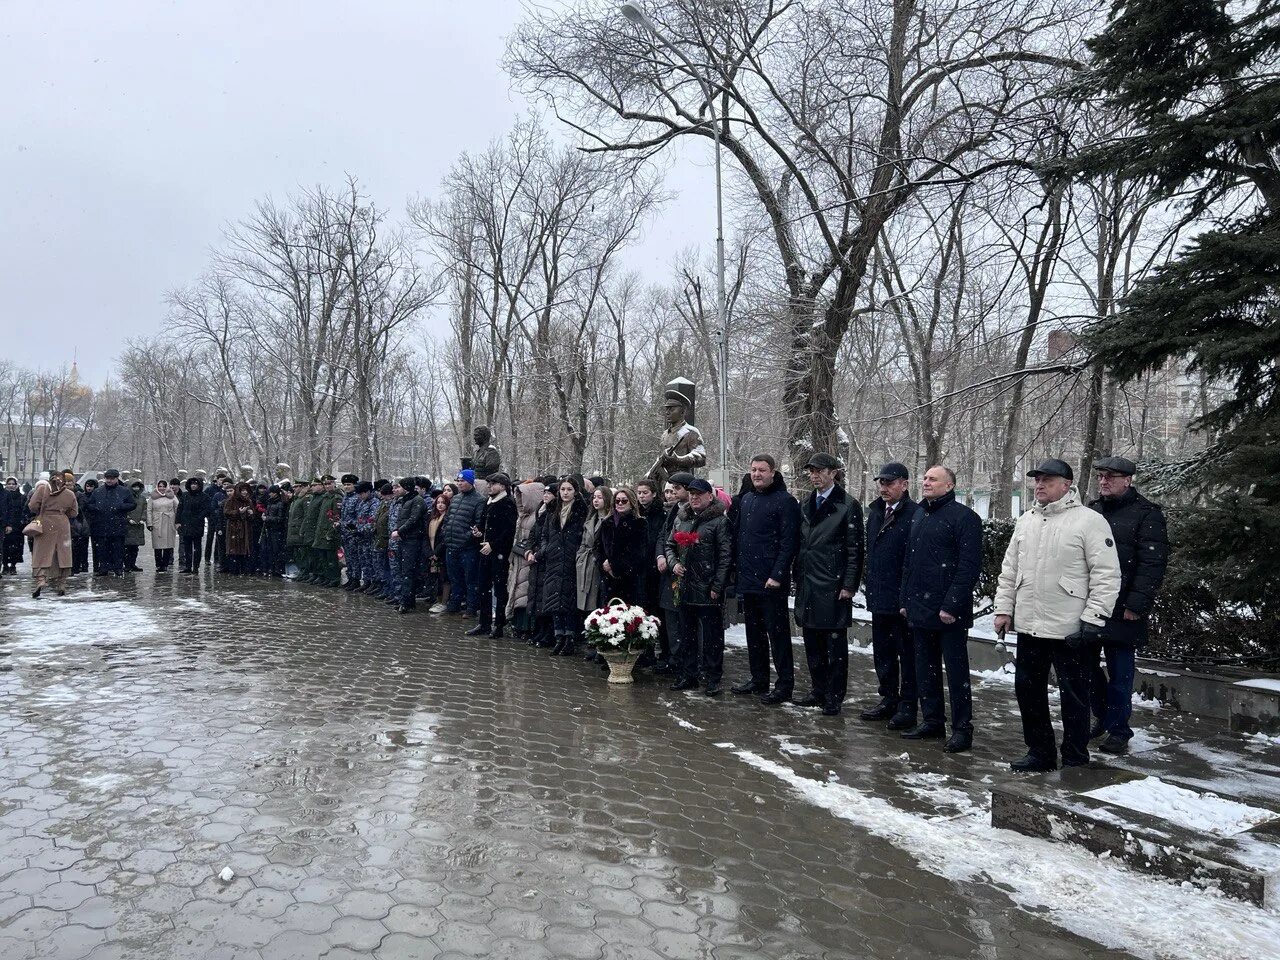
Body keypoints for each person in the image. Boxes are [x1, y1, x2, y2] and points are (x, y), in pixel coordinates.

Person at [995, 459, 1121, 771]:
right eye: (1037, 480)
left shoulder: (1089, 521)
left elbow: (1106, 574)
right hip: (1030, 627)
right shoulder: (1027, 521)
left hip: (1071, 629)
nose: (1039, 485)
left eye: (1047, 480)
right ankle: (1040, 752)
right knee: (1028, 691)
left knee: (1074, 696)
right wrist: (1003, 608)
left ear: (1066, 485)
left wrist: (1095, 617)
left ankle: (1076, 756)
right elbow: (1009, 569)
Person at [1085, 457, 1170, 754]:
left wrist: (1136, 603)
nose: (1104, 481)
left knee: (1121, 673)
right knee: (1087, 669)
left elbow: (1152, 564)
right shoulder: (1092, 511)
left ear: (1128, 480)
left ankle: (1119, 729)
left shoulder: (1147, 514)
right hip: (1092, 606)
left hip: (1124, 609)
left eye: (1111, 477)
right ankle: (1101, 717)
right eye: (1101, 477)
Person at [899, 465, 983, 751]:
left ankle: (962, 729)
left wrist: (951, 604)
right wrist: (905, 601)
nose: (926, 482)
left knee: (957, 674)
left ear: (949, 486)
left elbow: (968, 567)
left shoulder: (965, 518)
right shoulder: (919, 514)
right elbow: (910, 562)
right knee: (926, 669)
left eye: (933, 479)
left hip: (949, 613)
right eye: (924, 478)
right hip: (920, 607)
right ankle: (932, 720)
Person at [792, 453, 863, 716]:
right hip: (809, 582)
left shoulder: (847, 505)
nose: (814, 475)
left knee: (835, 646)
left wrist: (849, 584)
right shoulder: (806, 503)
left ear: (833, 473)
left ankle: (834, 696)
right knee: (812, 642)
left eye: (820, 471)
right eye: (811, 471)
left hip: (832, 584)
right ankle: (818, 689)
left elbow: (855, 549)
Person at [730, 454, 802, 703]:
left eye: (762, 470)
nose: (757, 474)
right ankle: (758, 679)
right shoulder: (747, 500)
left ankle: (784, 685)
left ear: (773, 472)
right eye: (753, 470)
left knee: (778, 635)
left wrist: (778, 575)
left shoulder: (786, 502)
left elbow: (788, 542)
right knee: (754, 633)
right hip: (748, 580)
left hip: (771, 582)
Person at [860, 462, 921, 728]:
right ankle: (888, 699)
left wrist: (907, 597)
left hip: (903, 600)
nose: (884, 488)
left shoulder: (916, 514)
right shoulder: (875, 513)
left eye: (890, 482)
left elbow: (913, 560)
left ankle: (907, 706)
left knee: (907, 655)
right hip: (880, 596)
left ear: (904, 484)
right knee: (883, 653)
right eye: (881, 483)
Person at [666, 477, 732, 695]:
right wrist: (674, 564)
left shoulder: (719, 522)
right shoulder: (681, 518)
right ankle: (689, 674)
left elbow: (725, 557)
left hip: (707, 588)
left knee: (713, 637)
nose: (694, 498)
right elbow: (670, 545)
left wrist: (718, 586)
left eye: (698, 494)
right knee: (687, 635)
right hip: (684, 586)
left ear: (709, 496)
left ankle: (713, 677)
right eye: (691, 494)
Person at [529, 478, 588, 656]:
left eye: (569, 489)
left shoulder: (580, 511)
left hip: (571, 559)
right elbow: (545, 534)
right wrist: (546, 551)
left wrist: (575, 551)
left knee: (568, 599)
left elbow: (582, 536)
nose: (565, 493)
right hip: (554, 559)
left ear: (575, 492)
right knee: (554, 598)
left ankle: (569, 637)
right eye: (563, 489)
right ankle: (559, 635)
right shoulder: (553, 510)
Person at [470, 473, 518, 638]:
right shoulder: (488, 502)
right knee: (483, 587)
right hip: (485, 551)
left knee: (499, 589)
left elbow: (508, 531)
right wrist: (478, 532)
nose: (489, 486)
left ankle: (498, 624)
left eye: (493, 483)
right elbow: (484, 524)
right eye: (488, 483)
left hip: (499, 554)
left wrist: (494, 544)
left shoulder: (507, 504)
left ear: (503, 486)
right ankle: (483, 623)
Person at [635, 478, 670, 670]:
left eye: (645, 493)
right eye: (639, 493)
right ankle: (645, 651)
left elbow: (660, 539)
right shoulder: (637, 512)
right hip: (640, 569)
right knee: (643, 611)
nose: (641, 496)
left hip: (655, 569)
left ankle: (663, 652)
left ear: (654, 494)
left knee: (658, 612)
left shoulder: (661, 514)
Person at [506, 480, 546, 644]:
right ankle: (519, 625)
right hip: (519, 559)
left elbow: (533, 539)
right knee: (518, 593)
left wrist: (525, 550)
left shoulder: (537, 516)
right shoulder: (524, 515)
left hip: (528, 560)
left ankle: (526, 626)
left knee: (526, 594)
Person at [27, 473, 79, 597]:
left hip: (45, 522)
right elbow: (73, 513)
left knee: (42, 552)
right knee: (62, 552)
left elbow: (33, 506)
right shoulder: (70, 493)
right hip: (62, 523)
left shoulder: (41, 489)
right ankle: (61, 583)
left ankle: (41, 580)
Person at [442, 470, 486, 617]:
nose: (459, 483)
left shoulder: (479, 500)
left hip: (468, 548)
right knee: (454, 577)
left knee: (470, 579)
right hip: (451, 545)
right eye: (458, 481)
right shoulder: (455, 499)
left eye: (463, 481)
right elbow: (448, 519)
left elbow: (479, 523)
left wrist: (466, 537)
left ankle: (471, 608)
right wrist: (446, 532)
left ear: (470, 482)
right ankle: (454, 604)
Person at [578, 483, 612, 661]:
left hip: (603, 566)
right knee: (589, 603)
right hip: (587, 564)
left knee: (602, 603)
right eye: (594, 497)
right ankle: (592, 641)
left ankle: (601, 644)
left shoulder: (611, 519)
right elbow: (584, 542)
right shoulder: (590, 520)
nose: (596, 500)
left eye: (600, 497)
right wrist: (580, 558)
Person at [648, 386, 707, 487]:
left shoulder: (691, 432)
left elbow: (701, 458)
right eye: (666, 409)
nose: (667, 412)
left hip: (682, 484)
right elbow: (660, 458)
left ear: (682, 411)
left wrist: (678, 460)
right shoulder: (665, 434)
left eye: (672, 409)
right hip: (664, 484)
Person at [86, 469, 137, 577]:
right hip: (102, 525)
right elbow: (89, 505)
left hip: (118, 525)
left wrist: (121, 507)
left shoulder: (124, 491)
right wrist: (97, 508)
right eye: (107, 478)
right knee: (102, 549)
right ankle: (103, 568)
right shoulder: (98, 491)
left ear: (116, 479)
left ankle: (118, 568)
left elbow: (132, 504)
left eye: (111, 479)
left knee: (118, 549)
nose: (109, 481)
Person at [390, 477, 427, 613]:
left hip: (412, 540)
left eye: (398, 487)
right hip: (405, 539)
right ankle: (406, 600)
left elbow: (413, 519)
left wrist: (399, 531)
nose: (395, 490)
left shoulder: (417, 501)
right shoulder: (406, 500)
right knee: (403, 570)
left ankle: (406, 602)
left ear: (406, 488)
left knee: (408, 571)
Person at [425, 486, 452, 611]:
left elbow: (445, 538)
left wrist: (437, 552)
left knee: (444, 577)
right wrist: (430, 552)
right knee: (435, 577)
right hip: (432, 551)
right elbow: (425, 536)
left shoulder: (448, 518)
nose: (440, 505)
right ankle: (437, 599)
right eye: (438, 503)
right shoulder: (432, 517)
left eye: (443, 503)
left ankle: (444, 602)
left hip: (442, 552)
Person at [176, 477, 207, 573]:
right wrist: (178, 522)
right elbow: (179, 509)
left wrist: (199, 517)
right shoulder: (185, 496)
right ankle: (188, 566)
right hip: (186, 524)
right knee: (187, 547)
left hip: (197, 525)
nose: (193, 486)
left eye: (195, 484)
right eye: (192, 484)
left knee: (197, 547)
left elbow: (206, 509)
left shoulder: (203, 496)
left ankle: (196, 567)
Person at [222, 482, 255, 575]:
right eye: (242, 490)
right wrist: (238, 512)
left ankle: (244, 570)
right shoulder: (231, 501)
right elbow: (226, 513)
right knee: (234, 550)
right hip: (234, 528)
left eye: (245, 490)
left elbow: (252, 517)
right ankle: (234, 571)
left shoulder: (249, 501)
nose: (244, 492)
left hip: (245, 529)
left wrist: (250, 514)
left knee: (244, 550)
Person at [147, 479, 178, 572]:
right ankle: (158, 563)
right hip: (157, 522)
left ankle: (165, 564)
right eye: (160, 486)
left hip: (169, 521)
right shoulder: (153, 497)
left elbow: (177, 509)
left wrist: (177, 522)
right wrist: (149, 523)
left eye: (164, 486)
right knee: (157, 544)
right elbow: (149, 510)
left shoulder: (172, 496)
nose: (162, 488)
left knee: (168, 544)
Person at [260, 485, 288, 576]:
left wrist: (267, 518)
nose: (270, 494)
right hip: (269, 529)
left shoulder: (280, 503)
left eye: (271, 492)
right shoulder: (270, 502)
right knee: (270, 550)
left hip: (276, 530)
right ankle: (272, 568)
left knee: (277, 550)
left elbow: (280, 518)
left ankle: (278, 569)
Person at [2, 476, 27, 574]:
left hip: (17, 527)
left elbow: (24, 510)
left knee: (16, 548)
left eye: (13, 484)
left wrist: (22, 521)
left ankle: (13, 565)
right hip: (5, 525)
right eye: (9, 484)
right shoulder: (3, 496)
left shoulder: (21, 497)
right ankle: (4, 565)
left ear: (17, 485)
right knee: (5, 547)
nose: (11, 486)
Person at [124, 480, 148, 571]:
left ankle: (133, 564)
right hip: (128, 525)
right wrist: (129, 519)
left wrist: (142, 519)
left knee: (135, 547)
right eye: (134, 486)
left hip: (138, 525)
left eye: (138, 487)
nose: (136, 488)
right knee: (127, 547)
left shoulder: (142, 498)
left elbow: (145, 509)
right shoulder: (127, 498)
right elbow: (125, 510)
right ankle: (127, 565)